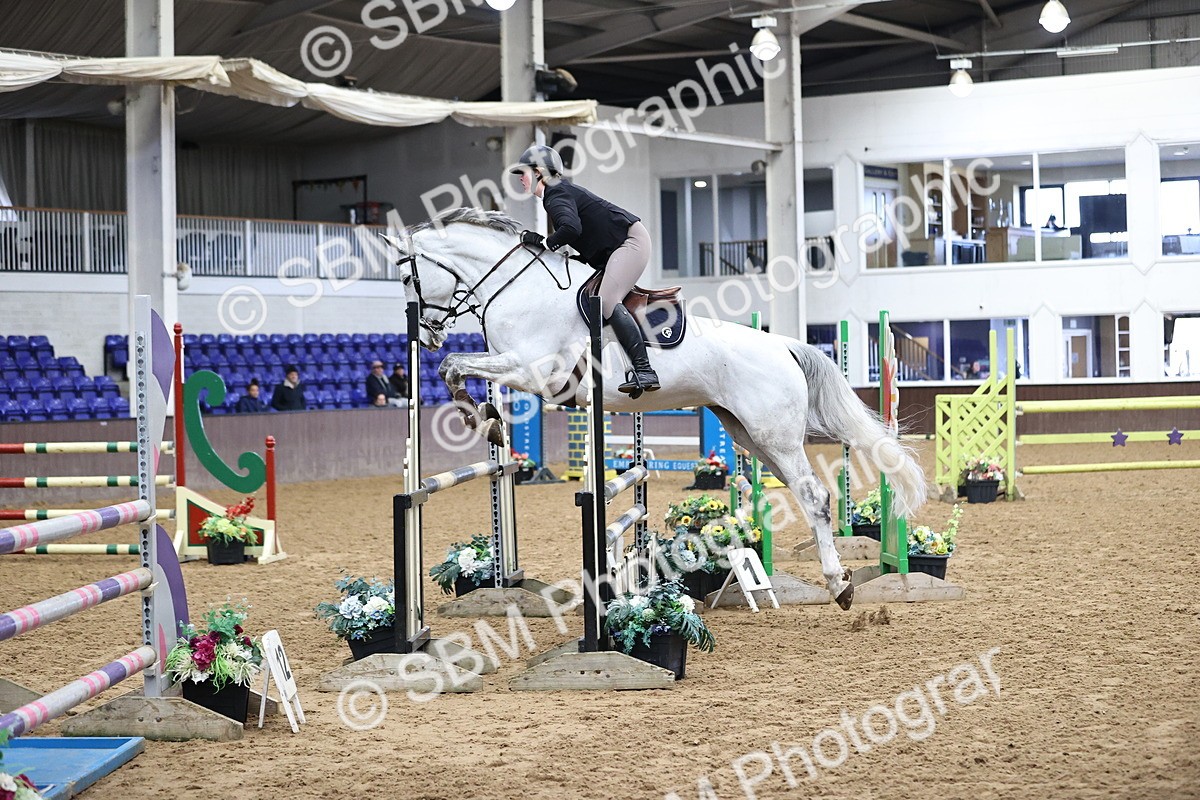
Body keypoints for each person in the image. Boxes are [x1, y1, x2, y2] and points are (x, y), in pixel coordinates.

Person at [510, 144, 660, 397]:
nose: (521, 180)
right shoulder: (558, 192)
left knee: (606, 301)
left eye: (523, 173)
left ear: (538, 172)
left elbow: (571, 229)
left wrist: (543, 242)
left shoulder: (555, 195)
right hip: (616, 248)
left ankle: (644, 370)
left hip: (630, 243)